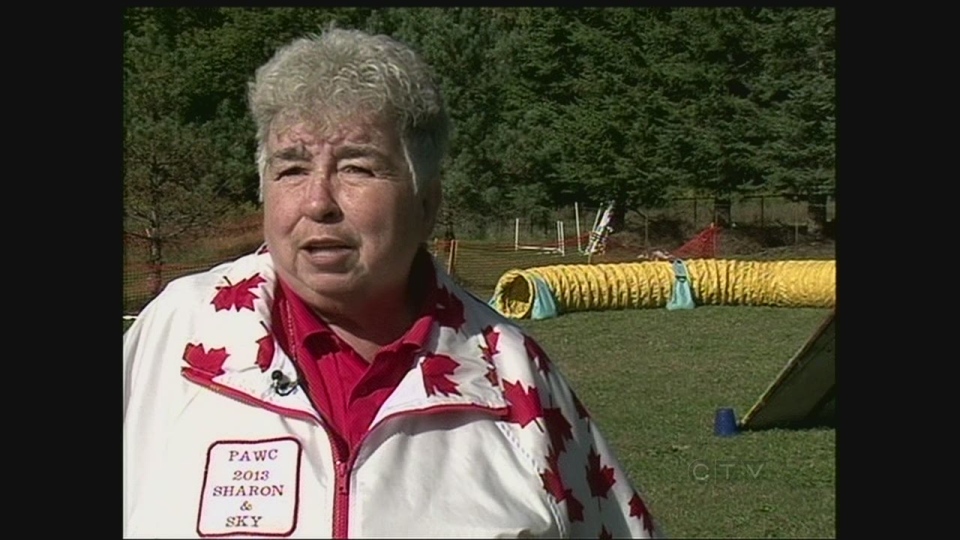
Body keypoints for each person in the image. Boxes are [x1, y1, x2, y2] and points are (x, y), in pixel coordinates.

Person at [123, 26, 662, 538]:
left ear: (427, 204)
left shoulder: (512, 378)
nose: (317, 202)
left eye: (356, 168)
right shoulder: (178, 338)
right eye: (290, 169)